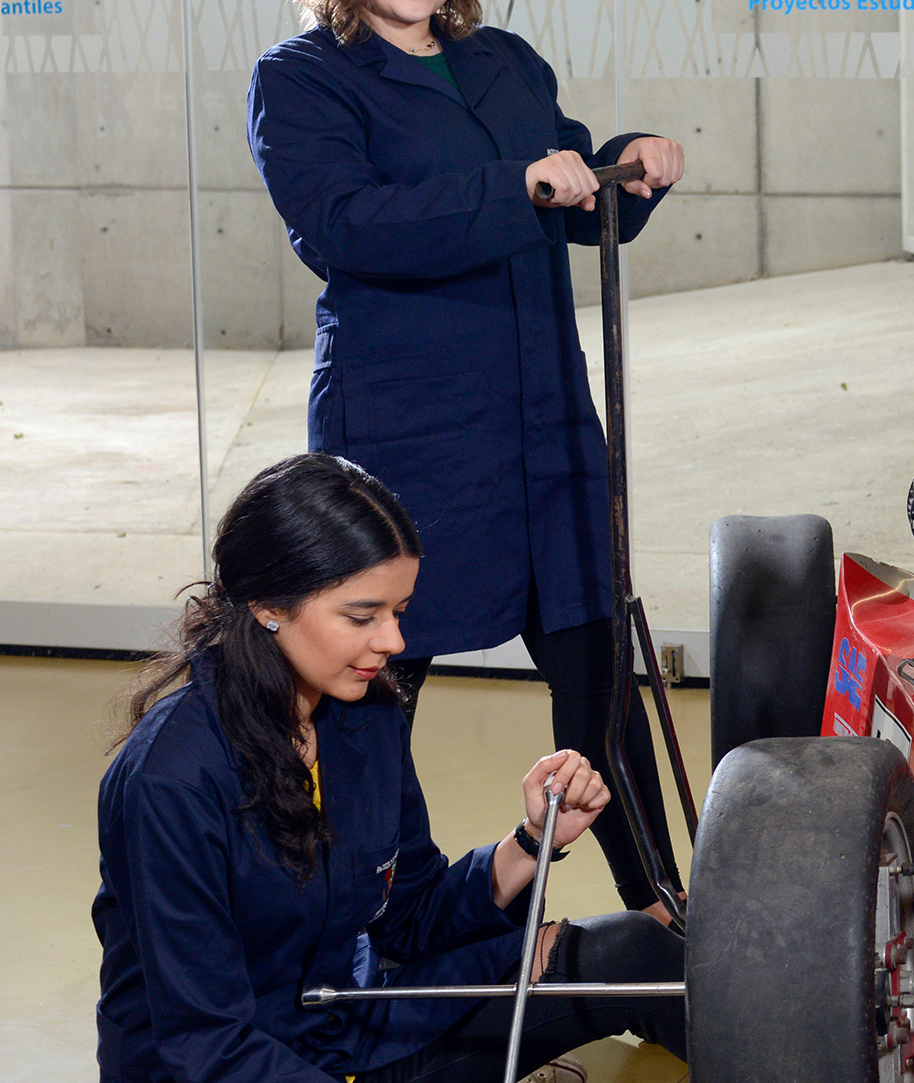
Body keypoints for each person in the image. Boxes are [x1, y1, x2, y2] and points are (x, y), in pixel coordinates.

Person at [245, 0, 689, 912]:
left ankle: (661, 914)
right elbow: (348, 223)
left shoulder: (507, 61)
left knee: (599, 676)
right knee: (370, 698)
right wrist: (518, 188)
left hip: (544, 425)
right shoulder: (302, 76)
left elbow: (570, 193)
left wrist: (628, 164)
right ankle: (355, 921)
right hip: (409, 434)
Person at [94, 454, 685, 1083]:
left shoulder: (366, 715)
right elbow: (206, 1043)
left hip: (350, 1027)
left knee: (632, 952)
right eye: (362, 616)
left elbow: (408, 918)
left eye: (398, 612)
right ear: (269, 606)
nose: (394, 642)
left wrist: (532, 842)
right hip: (234, 1067)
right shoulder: (170, 778)